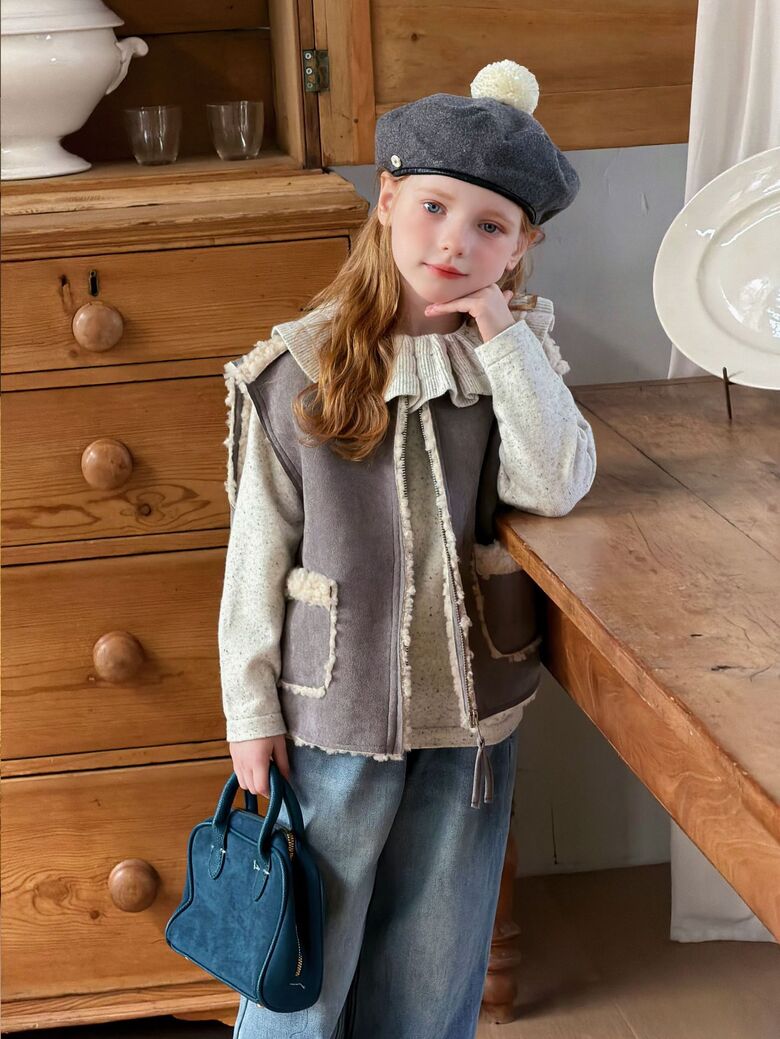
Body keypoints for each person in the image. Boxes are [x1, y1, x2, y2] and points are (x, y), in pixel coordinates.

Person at [219, 59, 596, 1039]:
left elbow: (555, 480)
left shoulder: (510, 361)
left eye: (491, 226)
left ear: (523, 245)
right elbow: (256, 554)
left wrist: (503, 334)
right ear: (387, 201)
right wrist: (249, 710)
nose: (454, 242)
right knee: (304, 968)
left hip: (470, 717)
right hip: (332, 716)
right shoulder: (296, 370)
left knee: (434, 968)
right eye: (433, 207)